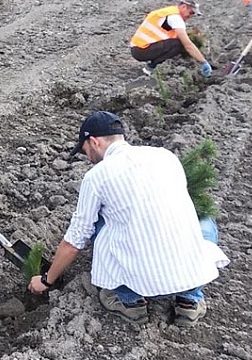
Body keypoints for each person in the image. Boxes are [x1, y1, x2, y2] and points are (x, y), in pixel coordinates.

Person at [28, 111, 229, 327]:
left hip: (141, 280)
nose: (87, 157)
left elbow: (74, 241)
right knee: (204, 221)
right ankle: (190, 301)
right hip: (187, 273)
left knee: (99, 224)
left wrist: (46, 280)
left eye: (85, 150)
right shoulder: (165, 156)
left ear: (93, 141)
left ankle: (128, 300)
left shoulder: (97, 176)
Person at [129, 0, 212, 78]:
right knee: (179, 44)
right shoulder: (175, 18)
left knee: (177, 43)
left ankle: (153, 65)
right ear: (183, 7)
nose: (191, 16)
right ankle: (151, 67)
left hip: (138, 48)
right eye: (191, 12)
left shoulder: (170, 12)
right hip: (141, 50)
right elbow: (187, 45)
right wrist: (203, 62)